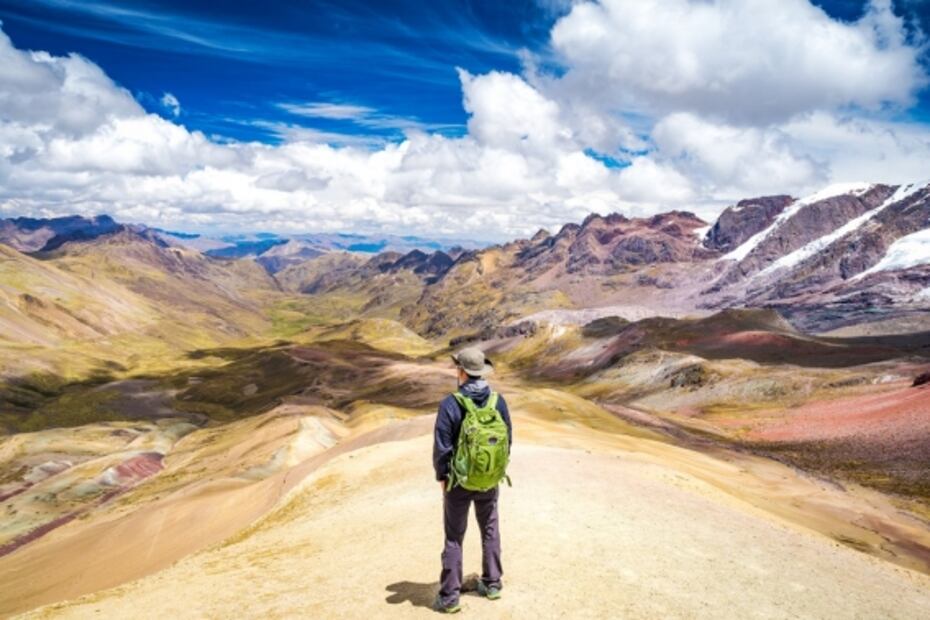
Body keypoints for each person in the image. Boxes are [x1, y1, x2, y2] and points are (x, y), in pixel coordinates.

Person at [432, 346, 513, 614]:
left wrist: (443, 475)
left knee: (454, 537)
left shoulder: (450, 403)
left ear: (462, 372)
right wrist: (493, 470)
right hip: (489, 479)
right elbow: (507, 440)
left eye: (458, 368)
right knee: (490, 529)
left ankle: (450, 598)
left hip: (458, 482)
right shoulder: (497, 401)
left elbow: (442, 446)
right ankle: (492, 584)